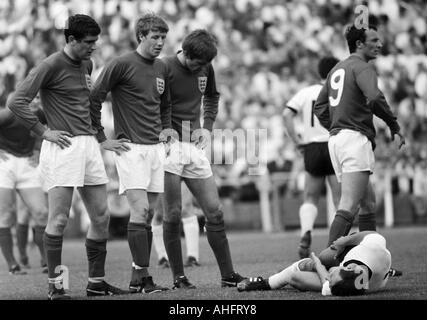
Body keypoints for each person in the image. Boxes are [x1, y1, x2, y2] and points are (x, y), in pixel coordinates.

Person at [8, 14, 129, 300]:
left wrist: (101, 139)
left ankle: (96, 284)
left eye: (95, 42)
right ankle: (57, 287)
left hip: (89, 146)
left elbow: (88, 104)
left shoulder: (87, 63)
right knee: (59, 219)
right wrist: (42, 131)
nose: (93, 47)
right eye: (88, 42)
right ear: (71, 40)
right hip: (63, 147)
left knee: (101, 215)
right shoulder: (49, 65)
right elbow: (16, 101)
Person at [90, 13, 171, 294]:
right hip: (130, 148)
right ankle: (146, 278)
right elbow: (95, 97)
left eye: (163, 37)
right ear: (141, 37)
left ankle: (137, 278)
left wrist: (168, 130)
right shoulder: (122, 64)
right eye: (155, 37)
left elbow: (165, 105)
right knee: (141, 210)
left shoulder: (161, 67)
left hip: (156, 149)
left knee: (148, 216)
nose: (160, 42)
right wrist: (102, 138)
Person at [161, 29, 246, 289]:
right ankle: (179, 277)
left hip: (194, 145)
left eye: (205, 64)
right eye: (197, 63)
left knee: (215, 211)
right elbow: (151, 103)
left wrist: (207, 128)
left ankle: (228, 275)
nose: (201, 68)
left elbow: (212, 97)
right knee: (173, 212)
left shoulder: (206, 67)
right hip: (168, 146)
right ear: (184, 53)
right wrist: (162, 130)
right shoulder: (163, 67)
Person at [313, 24, 405, 247]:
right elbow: (374, 97)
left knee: (368, 204)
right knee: (349, 205)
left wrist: (336, 126)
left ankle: (369, 256)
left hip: (337, 139)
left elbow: (319, 107)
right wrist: (393, 125)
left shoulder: (337, 69)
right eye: (374, 40)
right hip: (353, 138)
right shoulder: (362, 67)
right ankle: (327, 263)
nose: (380, 44)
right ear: (359, 44)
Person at [283, 56, 341, 259]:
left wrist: (297, 140)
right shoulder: (338, 91)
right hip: (334, 144)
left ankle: (306, 232)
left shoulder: (306, 92)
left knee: (311, 196)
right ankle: (338, 243)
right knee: (339, 198)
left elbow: (286, 114)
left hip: (312, 147)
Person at [237, 231, 392, 296]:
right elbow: (372, 234)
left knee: (296, 274)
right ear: (350, 266)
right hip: (357, 249)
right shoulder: (373, 245)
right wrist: (344, 241)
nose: (328, 278)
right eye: (331, 275)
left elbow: (329, 281)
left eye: (330, 279)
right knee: (325, 257)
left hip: (371, 269)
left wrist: (317, 264)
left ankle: (265, 283)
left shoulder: (344, 286)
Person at [0, 96, 47, 276]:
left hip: (27, 163)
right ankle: (13, 265)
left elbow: (50, 130)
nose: (36, 100)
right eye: (32, 97)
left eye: (38, 96)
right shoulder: (8, 114)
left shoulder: (40, 113)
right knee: (5, 214)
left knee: (41, 213)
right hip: (5, 163)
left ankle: (45, 260)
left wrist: (37, 149)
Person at [152, 182, 202, 268]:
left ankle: (192, 257)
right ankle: (163, 257)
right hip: (160, 172)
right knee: (159, 215)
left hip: (181, 169)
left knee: (186, 207)